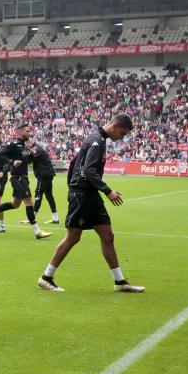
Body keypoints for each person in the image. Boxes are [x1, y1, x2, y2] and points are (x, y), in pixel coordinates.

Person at [38, 114, 145, 293]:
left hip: (90, 194)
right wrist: (106, 190)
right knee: (73, 237)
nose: (122, 137)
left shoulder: (98, 139)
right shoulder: (96, 141)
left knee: (108, 235)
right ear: (116, 126)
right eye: (123, 133)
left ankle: (120, 282)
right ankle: (46, 277)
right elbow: (88, 170)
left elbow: (74, 163)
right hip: (82, 195)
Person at [0, 124, 52, 239]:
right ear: (20, 132)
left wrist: (32, 154)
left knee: (15, 204)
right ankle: (37, 232)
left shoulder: (25, 146)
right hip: (18, 178)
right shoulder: (13, 144)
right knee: (29, 202)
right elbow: (0, 155)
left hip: (23, 177)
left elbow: (26, 160)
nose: (29, 133)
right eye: (27, 131)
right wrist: (12, 162)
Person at [29, 138, 59, 224]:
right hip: (48, 173)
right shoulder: (37, 148)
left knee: (38, 192)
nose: (27, 145)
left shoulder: (36, 148)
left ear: (31, 142)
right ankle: (55, 217)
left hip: (44, 174)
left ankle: (32, 217)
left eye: (28, 143)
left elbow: (34, 153)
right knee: (49, 195)